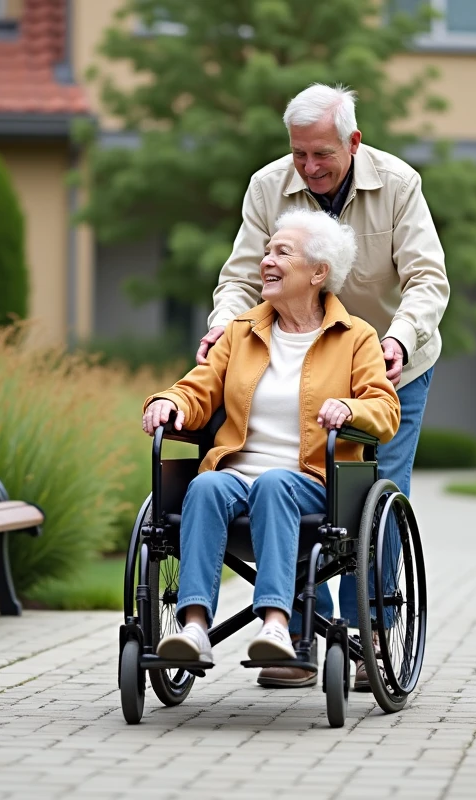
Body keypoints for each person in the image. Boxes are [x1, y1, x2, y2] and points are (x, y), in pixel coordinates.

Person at [195, 83, 450, 689]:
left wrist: (399, 339)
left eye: (322, 156)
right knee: (288, 481)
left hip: (384, 362)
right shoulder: (268, 186)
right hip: (295, 352)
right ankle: (304, 636)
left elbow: (427, 278)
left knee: (371, 498)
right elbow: (237, 279)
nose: (309, 169)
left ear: (352, 143)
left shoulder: (397, 183)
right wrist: (220, 333)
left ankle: (372, 635)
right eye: (299, 155)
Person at [142, 209, 400, 668]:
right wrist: (170, 403)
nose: (266, 261)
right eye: (266, 252)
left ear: (318, 272)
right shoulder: (240, 333)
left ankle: (277, 627)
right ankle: (195, 627)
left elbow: (384, 410)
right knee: (204, 485)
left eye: (282, 252)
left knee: (275, 484)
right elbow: (198, 388)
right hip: (237, 477)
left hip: (311, 481)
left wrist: (351, 409)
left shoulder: (356, 336)